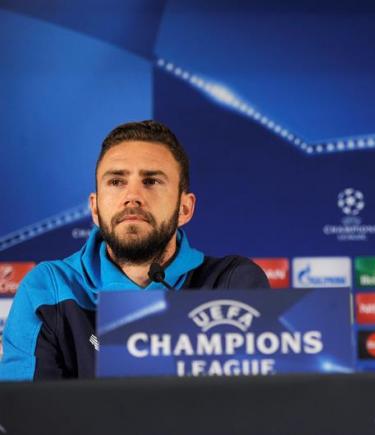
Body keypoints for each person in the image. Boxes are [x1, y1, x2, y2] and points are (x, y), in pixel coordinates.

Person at [0, 120, 269, 380]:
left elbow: (256, 413)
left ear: (184, 208)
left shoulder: (232, 284)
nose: (133, 196)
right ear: (94, 208)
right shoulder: (48, 289)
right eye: (116, 181)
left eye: (151, 181)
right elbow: (28, 420)